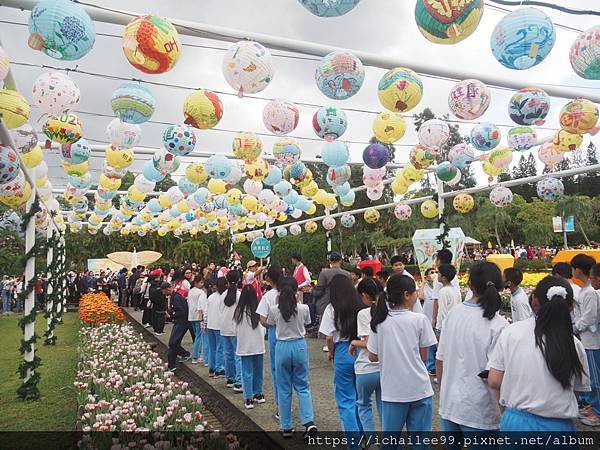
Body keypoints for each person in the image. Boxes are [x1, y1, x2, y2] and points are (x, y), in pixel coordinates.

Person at [488, 276, 590, 432]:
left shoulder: (511, 333)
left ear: (534, 300)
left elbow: (494, 381)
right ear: (570, 307)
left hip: (517, 421)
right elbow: (575, 392)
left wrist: (507, 413)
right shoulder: (574, 344)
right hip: (559, 426)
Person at [436, 261, 509, 442]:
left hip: (450, 404)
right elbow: (496, 378)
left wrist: (443, 395)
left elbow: (440, 359)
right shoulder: (498, 325)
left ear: (470, 285)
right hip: (481, 411)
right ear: (499, 287)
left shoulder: (453, 314)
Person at [367, 274, 437, 441]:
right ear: (406, 295)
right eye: (415, 292)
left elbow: (372, 356)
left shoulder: (379, 321)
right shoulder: (420, 320)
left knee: (390, 441)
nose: (417, 294)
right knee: (420, 442)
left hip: (393, 391)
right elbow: (424, 355)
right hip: (420, 388)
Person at [269, 276, 318, 439]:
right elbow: (308, 323)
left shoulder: (275, 309)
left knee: (283, 388)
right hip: (299, 345)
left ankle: (286, 426)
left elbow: (271, 323)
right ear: (296, 291)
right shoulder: (303, 308)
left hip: (282, 346)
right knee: (303, 385)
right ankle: (309, 422)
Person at [319, 275, 365, 445]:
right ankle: (364, 435)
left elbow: (329, 338)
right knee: (361, 399)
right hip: (361, 351)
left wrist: (331, 353)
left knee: (346, 399)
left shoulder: (332, 308)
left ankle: (353, 442)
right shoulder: (361, 305)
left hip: (342, 352)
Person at [571, 254, 600, 426]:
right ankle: (593, 406)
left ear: (579, 270)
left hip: (592, 342)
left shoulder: (590, 293)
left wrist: (575, 327)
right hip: (585, 340)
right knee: (589, 376)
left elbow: (589, 318)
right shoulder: (584, 291)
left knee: (595, 379)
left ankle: (597, 412)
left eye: (573, 268)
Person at [351, 278, 383, 435]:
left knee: (363, 405)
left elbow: (369, 343)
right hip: (385, 369)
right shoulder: (388, 310)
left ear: (364, 295)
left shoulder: (364, 314)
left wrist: (353, 343)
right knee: (385, 408)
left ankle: (371, 441)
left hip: (366, 368)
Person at [234, 284, 266, 409]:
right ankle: (259, 394)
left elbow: (235, 328)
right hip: (258, 344)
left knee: (246, 372)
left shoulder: (239, 311)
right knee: (258, 370)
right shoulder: (258, 309)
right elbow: (263, 327)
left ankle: (248, 398)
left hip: (244, 345)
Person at [257, 265, 283, 416]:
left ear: (269, 278)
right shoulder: (291, 292)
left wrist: (272, 324)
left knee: (276, 371)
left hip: (275, 333)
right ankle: (308, 417)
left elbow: (262, 319)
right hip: (294, 335)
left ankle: (280, 407)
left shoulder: (268, 296)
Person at [220, 271, 243, 392]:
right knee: (238, 355)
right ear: (239, 279)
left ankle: (230, 378)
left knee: (228, 354)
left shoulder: (223, 295)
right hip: (235, 327)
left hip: (224, 328)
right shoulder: (239, 295)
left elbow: (220, 310)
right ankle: (239, 381)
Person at [312, 251, 352, 316]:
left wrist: (313, 291)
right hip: (343, 305)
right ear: (340, 261)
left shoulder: (324, 274)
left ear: (330, 261)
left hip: (326, 305)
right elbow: (351, 291)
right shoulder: (348, 274)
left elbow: (319, 291)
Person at [162, 282, 191, 371]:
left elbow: (182, 311)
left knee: (173, 343)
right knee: (173, 343)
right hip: (178, 322)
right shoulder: (173, 297)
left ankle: (185, 354)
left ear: (168, 289)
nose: (163, 294)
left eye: (164, 291)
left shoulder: (177, 298)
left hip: (182, 323)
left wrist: (171, 316)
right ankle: (171, 365)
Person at [205, 277, 227, 378]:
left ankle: (211, 368)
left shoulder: (211, 297)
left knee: (212, 347)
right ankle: (219, 368)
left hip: (210, 325)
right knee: (220, 348)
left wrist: (205, 322)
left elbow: (206, 311)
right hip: (219, 325)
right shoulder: (224, 298)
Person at [419, 268, 437, 375]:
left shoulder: (439, 286)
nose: (434, 274)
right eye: (432, 273)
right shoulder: (426, 287)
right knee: (430, 343)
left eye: (436, 272)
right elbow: (420, 297)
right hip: (427, 318)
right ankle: (431, 366)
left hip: (437, 318)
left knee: (437, 343)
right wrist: (423, 283)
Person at [433, 264, 462, 333]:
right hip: (455, 324)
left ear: (443, 277)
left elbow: (442, 312)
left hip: (446, 327)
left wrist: (438, 329)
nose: (437, 275)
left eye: (438, 273)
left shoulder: (443, 291)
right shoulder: (456, 290)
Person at [188, 275, 207, 364]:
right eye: (201, 282)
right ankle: (196, 355)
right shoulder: (201, 292)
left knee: (197, 335)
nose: (202, 284)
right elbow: (202, 306)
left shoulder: (191, 291)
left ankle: (197, 354)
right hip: (199, 316)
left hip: (191, 315)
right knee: (199, 336)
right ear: (196, 283)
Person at [149, 270, 167, 336]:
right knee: (161, 316)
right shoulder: (161, 284)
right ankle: (159, 330)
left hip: (154, 302)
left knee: (155, 315)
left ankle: (156, 329)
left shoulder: (151, 284)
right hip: (161, 302)